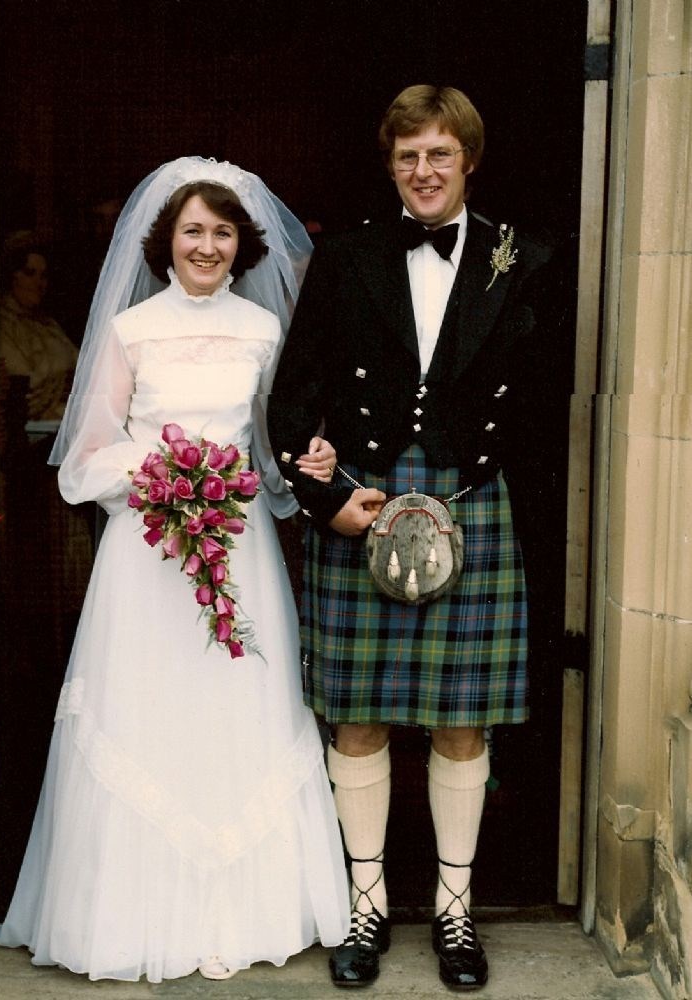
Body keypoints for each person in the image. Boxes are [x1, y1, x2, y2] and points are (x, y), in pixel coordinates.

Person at [0, 157, 350, 982]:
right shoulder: (130, 331)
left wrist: (308, 458)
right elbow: (83, 454)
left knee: (236, 702)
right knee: (147, 705)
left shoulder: (265, 333)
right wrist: (160, 478)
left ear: (241, 243)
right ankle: (128, 914)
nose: (208, 245)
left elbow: (274, 443)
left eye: (222, 232)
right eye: (193, 229)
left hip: (240, 539)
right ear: (164, 241)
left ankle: (249, 905)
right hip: (148, 552)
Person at [268, 85, 554, 991]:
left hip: (470, 498)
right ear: (389, 164)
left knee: (461, 725)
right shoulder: (346, 257)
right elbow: (291, 397)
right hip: (365, 502)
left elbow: (546, 409)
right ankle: (366, 907)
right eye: (406, 157)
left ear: (468, 158)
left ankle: (454, 913)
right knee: (356, 721)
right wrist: (327, 501)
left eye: (437, 154)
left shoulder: (526, 258)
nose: (422, 172)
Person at [0, 231, 79, 422]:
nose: (39, 283)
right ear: (13, 276)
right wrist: (63, 378)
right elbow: (26, 388)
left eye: (43, 276)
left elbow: (83, 369)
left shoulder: (47, 323)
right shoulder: (0, 325)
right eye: (29, 273)